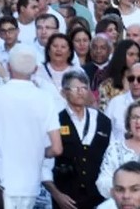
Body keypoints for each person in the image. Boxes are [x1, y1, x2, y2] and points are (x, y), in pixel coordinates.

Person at [0, 45, 62, 209]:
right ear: (36, 69)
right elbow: (57, 149)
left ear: (8, 66)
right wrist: (40, 151)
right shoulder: (46, 98)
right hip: (30, 184)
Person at [46, 70, 111, 209]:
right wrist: (57, 195)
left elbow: (111, 157)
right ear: (64, 92)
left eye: (84, 88)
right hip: (65, 197)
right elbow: (45, 164)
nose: (81, 92)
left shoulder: (103, 121)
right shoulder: (55, 121)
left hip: (97, 198)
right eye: (76, 89)